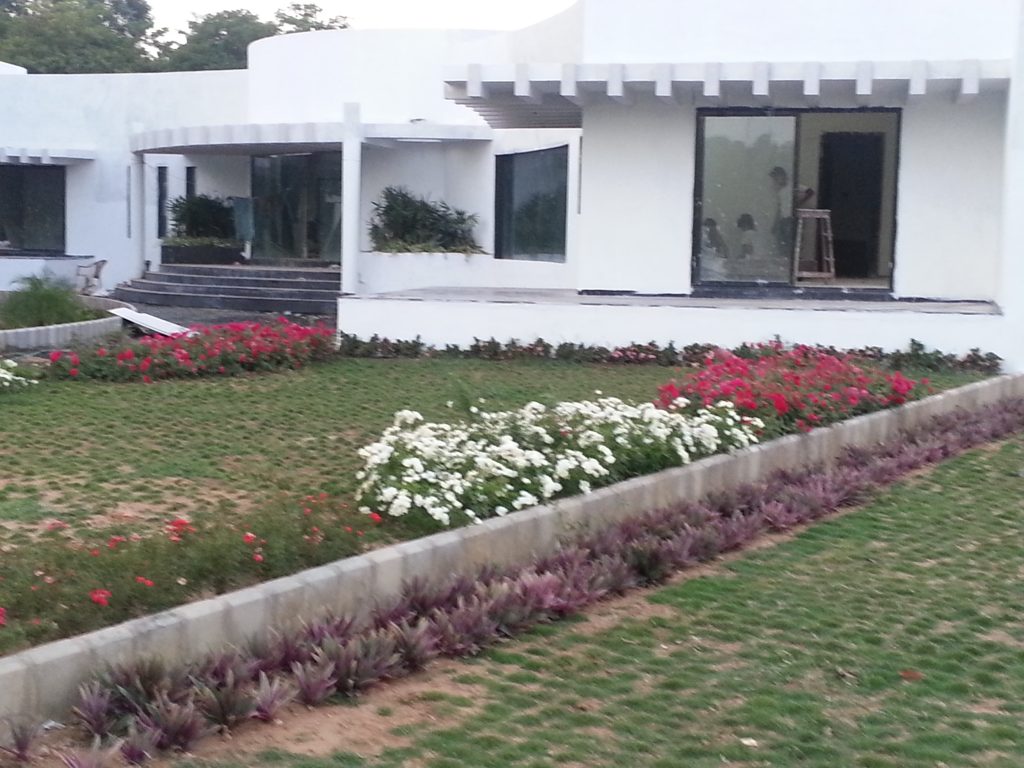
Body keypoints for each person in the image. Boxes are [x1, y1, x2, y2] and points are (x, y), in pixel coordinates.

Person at [769, 166, 814, 251]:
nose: (775, 180)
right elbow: (780, 208)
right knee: (781, 242)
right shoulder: (780, 191)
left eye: (776, 177)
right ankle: (784, 255)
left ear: (782, 175)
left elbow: (810, 191)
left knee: (790, 242)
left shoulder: (792, 186)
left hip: (791, 219)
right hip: (783, 220)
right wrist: (775, 223)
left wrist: (798, 202)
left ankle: (790, 254)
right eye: (774, 179)